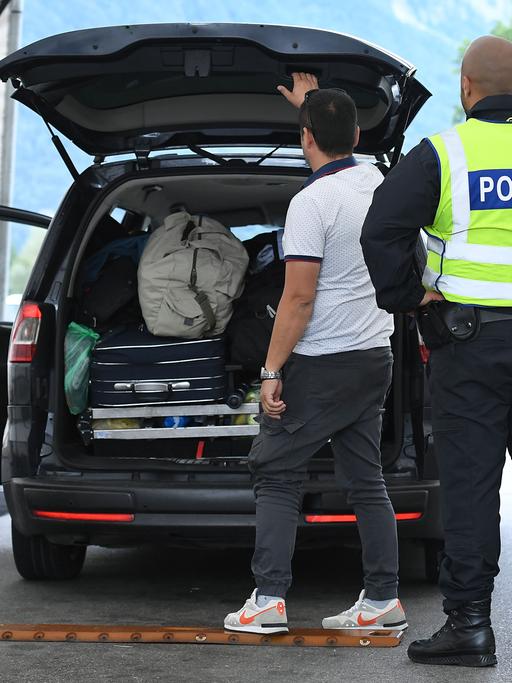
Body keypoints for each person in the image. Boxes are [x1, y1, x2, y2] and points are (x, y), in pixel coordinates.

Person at [224, 73, 407, 635]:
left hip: (322, 361)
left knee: (276, 471)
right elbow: (338, 140)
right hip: (375, 355)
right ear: (355, 132)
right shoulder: (382, 182)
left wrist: (272, 371)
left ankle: (269, 600)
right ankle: (382, 601)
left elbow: (298, 298)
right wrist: (314, 109)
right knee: (365, 479)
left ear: (306, 138)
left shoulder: (310, 203)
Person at [360, 35, 512, 668]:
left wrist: (409, 297)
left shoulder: (443, 154)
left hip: (471, 345)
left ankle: (470, 627)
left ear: (467, 88)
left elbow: (381, 228)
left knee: (472, 485)